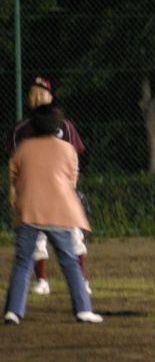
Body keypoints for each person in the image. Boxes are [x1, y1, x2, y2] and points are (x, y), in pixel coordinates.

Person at [5, 104, 102, 324]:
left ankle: (13, 311)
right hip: (59, 212)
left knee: (22, 263)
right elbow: (72, 180)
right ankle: (83, 309)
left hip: (29, 211)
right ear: (56, 125)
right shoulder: (67, 149)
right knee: (69, 262)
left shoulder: (23, 147)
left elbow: (15, 177)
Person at [8, 76, 91, 295]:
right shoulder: (21, 129)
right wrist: (14, 190)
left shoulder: (64, 125)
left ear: (50, 97)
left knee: (74, 237)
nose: (37, 97)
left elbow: (74, 159)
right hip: (33, 193)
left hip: (61, 194)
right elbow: (14, 165)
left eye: (42, 93)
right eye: (33, 94)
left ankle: (82, 280)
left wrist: (71, 189)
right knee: (36, 241)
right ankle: (42, 280)